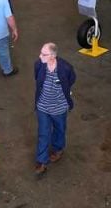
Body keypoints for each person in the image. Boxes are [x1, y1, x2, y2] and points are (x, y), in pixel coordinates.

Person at [33, 42, 76, 176]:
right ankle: (42, 161)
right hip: (43, 107)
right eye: (41, 53)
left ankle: (58, 149)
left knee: (59, 129)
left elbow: (71, 80)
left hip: (59, 108)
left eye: (43, 54)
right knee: (43, 133)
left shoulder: (65, 68)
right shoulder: (39, 65)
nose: (40, 56)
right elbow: (37, 79)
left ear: (52, 56)